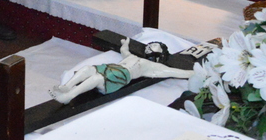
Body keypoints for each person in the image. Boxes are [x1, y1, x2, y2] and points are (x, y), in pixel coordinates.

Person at [49, 39, 192, 104]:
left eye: (154, 45)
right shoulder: (133, 57)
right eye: (150, 44)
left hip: (121, 76)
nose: (149, 46)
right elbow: (124, 51)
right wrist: (126, 43)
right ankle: (67, 86)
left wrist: (195, 73)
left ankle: (69, 96)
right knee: (87, 69)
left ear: (161, 52)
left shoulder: (152, 66)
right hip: (110, 68)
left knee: (97, 78)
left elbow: (173, 72)